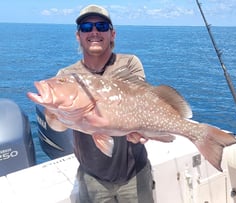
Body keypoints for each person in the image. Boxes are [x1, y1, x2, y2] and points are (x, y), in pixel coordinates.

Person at [45, 4, 155, 203]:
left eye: (101, 26)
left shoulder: (129, 64)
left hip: (135, 173)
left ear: (112, 34)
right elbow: (57, 126)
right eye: (86, 27)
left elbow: (143, 99)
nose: (94, 32)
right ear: (78, 36)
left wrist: (144, 129)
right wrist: (53, 110)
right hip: (92, 177)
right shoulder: (66, 76)